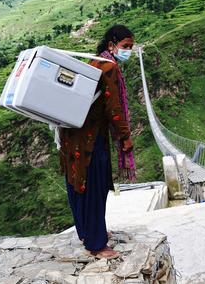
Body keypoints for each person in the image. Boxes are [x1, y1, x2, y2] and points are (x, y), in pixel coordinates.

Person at [59, 24, 136, 259]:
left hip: (72, 136)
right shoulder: (109, 67)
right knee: (94, 187)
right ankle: (97, 243)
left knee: (77, 185)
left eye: (131, 47)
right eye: (125, 47)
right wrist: (125, 136)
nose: (128, 51)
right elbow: (114, 109)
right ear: (112, 45)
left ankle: (87, 232)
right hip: (90, 139)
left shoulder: (95, 62)